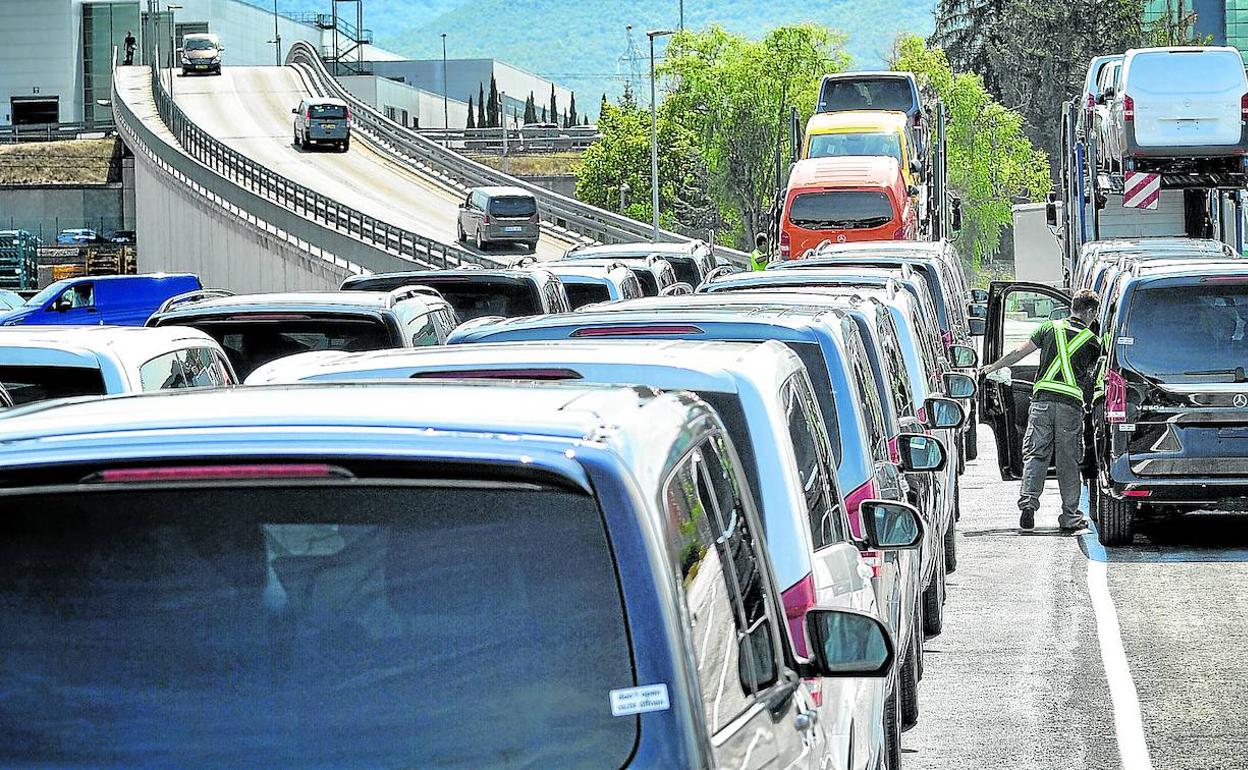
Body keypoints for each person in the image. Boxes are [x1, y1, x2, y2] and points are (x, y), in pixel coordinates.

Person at [982, 289, 1103, 533]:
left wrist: (992, 367)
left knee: (1036, 455)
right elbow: (1093, 379)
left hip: (1041, 403)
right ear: (1090, 312)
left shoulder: (1048, 328)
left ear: (1073, 307)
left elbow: (1018, 352)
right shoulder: (1093, 341)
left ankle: (1028, 505)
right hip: (1070, 406)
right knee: (1068, 461)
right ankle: (1070, 517)